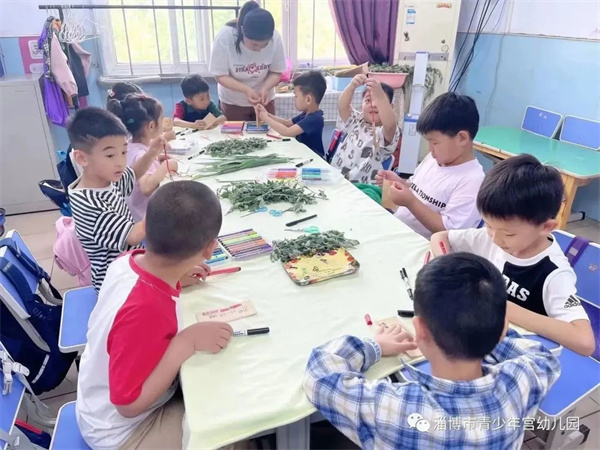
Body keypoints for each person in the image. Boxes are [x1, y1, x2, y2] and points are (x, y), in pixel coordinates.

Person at [304, 253, 560, 449]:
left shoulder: (393, 406)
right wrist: (489, 329)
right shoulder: (522, 381)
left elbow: (321, 374)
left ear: (419, 330)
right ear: (503, 325)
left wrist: (375, 346)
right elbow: (543, 357)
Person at [76, 181, 232, 450]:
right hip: (121, 431)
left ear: (146, 225)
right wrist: (186, 343)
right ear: (210, 248)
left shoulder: (127, 261)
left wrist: (177, 277)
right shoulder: (147, 309)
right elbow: (127, 405)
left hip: (99, 402)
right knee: (229, 431)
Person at [430, 154, 595, 356]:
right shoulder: (491, 236)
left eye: (508, 233)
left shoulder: (553, 273)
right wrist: (447, 267)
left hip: (523, 356)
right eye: (489, 225)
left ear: (546, 227)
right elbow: (440, 237)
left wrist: (501, 306)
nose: (496, 239)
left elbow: (585, 342)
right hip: (482, 338)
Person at [67, 107, 158, 292]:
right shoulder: (89, 205)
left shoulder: (105, 178)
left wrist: (151, 152)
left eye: (124, 152)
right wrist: (163, 206)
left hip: (132, 265)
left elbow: (132, 175)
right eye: (110, 155)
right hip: (117, 285)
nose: (120, 162)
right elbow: (132, 236)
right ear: (82, 158)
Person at [376, 92, 485, 238]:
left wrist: (410, 202)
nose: (430, 149)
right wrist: (398, 183)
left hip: (422, 247)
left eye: (435, 142)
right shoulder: (434, 159)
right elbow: (416, 189)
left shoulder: (472, 181)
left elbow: (448, 232)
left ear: (462, 138)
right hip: (398, 229)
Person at [209, 0, 286, 121]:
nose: (259, 49)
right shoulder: (225, 37)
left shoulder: (275, 38)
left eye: (265, 45)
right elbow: (220, 75)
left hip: (264, 100)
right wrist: (247, 90)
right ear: (243, 31)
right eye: (255, 45)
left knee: (268, 134)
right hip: (233, 102)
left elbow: (276, 72)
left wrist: (265, 88)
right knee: (235, 137)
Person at [108, 94, 178, 223]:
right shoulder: (141, 154)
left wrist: (157, 159)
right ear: (151, 126)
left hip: (131, 214)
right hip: (144, 221)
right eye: (161, 119)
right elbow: (146, 187)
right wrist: (168, 165)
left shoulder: (128, 145)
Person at [332, 74, 400, 184]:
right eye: (368, 100)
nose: (373, 104)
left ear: (390, 108)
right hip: (337, 178)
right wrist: (352, 86)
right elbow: (342, 106)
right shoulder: (356, 120)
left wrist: (380, 95)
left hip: (363, 187)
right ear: (361, 107)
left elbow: (390, 124)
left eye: (378, 101)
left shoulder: (386, 131)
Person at [256, 70, 326, 158]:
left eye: (296, 96)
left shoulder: (315, 119)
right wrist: (267, 114)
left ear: (308, 99)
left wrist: (266, 118)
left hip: (314, 159)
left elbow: (287, 132)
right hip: (304, 154)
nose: (294, 99)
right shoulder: (305, 114)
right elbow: (286, 123)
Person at [107, 81, 176, 141]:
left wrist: (159, 127)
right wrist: (165, 137)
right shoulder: (120, 134)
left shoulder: (128, 123)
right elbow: (138, 145)